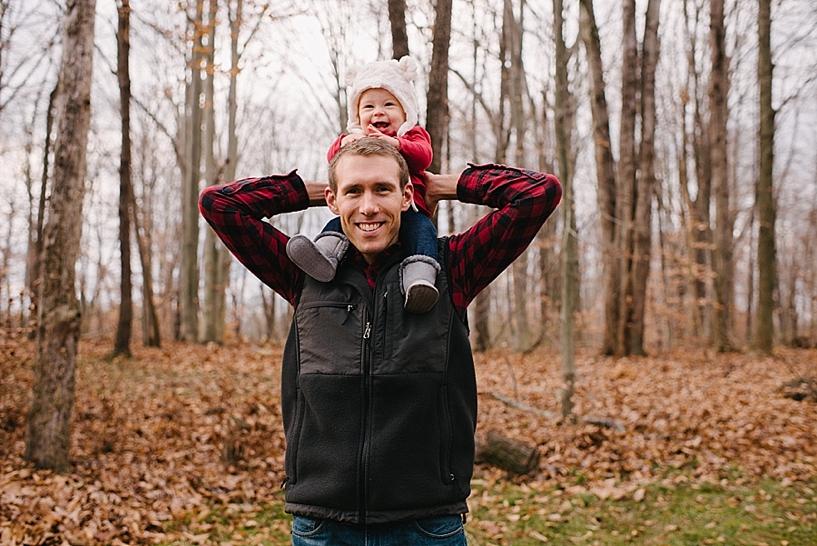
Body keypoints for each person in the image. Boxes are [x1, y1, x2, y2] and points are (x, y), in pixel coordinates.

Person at [199, 138, 561, 545]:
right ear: (333, 201)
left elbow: (537, 193)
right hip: (322, 525)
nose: (368, 207)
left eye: (382, 189)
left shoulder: (451, 268)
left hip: (426, 524)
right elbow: (220, 205)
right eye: (354, 191)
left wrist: (444, 185)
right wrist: (313, 190)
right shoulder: (305, 271)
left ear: (406, 196)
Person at [286, 55, 440, 313]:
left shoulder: (411, 135)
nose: (378, 112)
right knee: (337, 225)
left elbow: (424, 156)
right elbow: (333, 157)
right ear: (357, 115)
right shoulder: (355, 138)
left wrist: (397, 144)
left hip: (411, 211)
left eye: (389, 104)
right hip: (360, 221)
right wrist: (343, 144)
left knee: (423, 233)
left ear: (406, 110)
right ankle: (325, 257)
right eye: (368, 106)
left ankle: (419, 280)